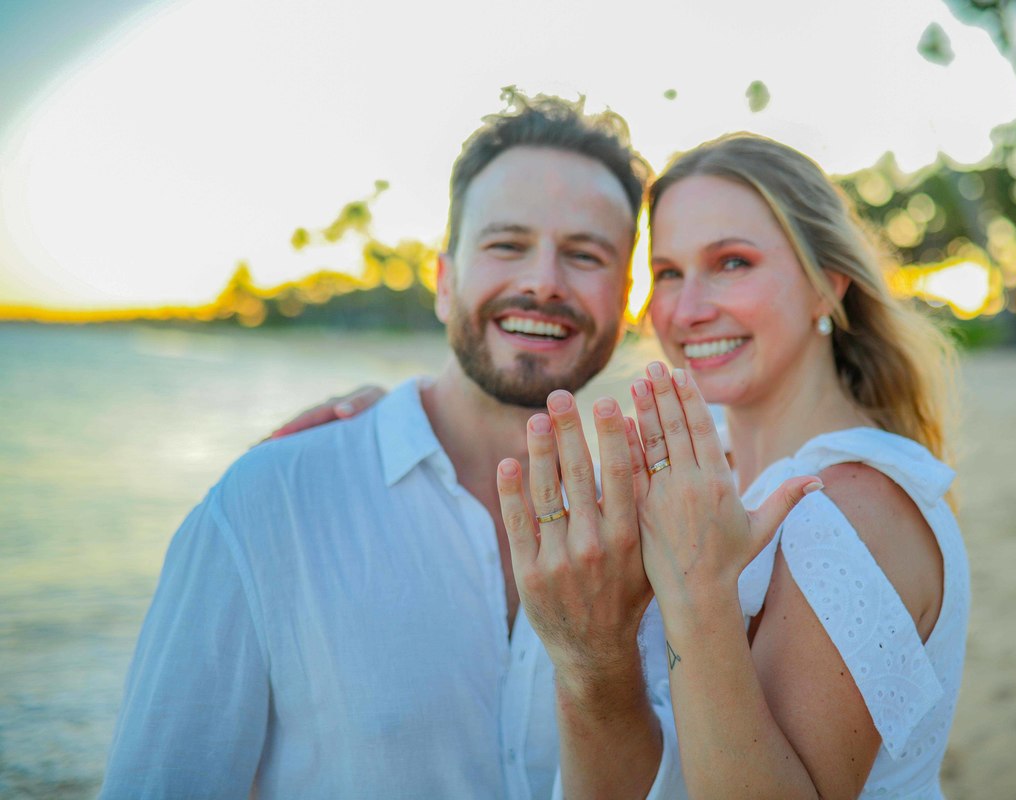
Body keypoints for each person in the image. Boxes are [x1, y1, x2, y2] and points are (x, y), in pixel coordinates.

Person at [282, 133, 968, 797]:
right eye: (668, 273)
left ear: (828, 284)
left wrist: (700, 593)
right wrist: (385, 421)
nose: (688, 310)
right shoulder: (697, 464)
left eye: (732, 262)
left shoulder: (852, 506)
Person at [100, 93, 694, 799]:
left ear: (624, 299)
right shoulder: (266, 504)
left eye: (585, 255)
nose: (543, 281)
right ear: (444, 283)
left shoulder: (660, 525)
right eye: (506, 244)